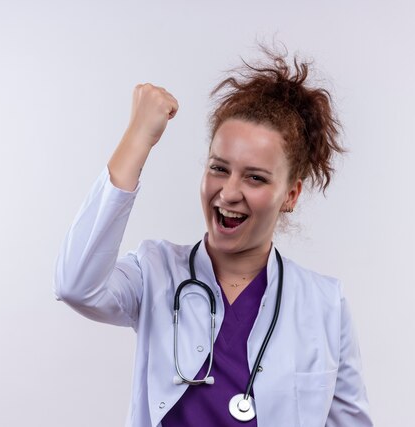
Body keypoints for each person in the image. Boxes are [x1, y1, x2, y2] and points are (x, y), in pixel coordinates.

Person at [54, 46, 373, 427]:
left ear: (290, 195)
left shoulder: (324, 304)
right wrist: (139, 137)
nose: (229, 192)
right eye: (219, 168)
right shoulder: (155, 271)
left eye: (255, 177)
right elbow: (75, 285)